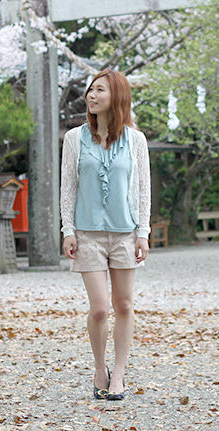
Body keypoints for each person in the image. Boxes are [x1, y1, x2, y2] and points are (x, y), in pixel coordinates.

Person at [60, 69, 151, 401]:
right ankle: (100, 368)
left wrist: (144, 232)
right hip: (87, 235)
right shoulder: (74, 138)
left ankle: (120, 375)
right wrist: (67, 230)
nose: (91, 95)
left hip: (126, 234)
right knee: (99, 308)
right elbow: (67, 187)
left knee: (124, 305)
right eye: (90, 90)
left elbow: (143, 189)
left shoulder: (135, 140)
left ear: (117, 97)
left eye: (100, 90)